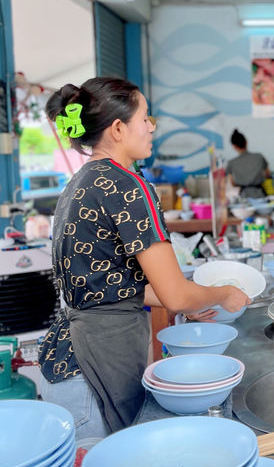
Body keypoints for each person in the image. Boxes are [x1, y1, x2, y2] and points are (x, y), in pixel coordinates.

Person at [39, 77, 249, 438]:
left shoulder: (82, 181)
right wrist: (222, 293)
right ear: (118, 129)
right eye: (145, 117)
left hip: (67, 368)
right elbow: (175, 295)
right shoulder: (129, 185)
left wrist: (182, 303)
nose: (151, 127)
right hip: (94, 372)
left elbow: (108, 285)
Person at [227, 130, 270, 199]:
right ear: (246, 142)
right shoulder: (259, 157)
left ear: (234, 146)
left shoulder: (231, 163)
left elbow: (233, 183)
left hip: (244, 197)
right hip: (260, 195)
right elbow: (267, 174)